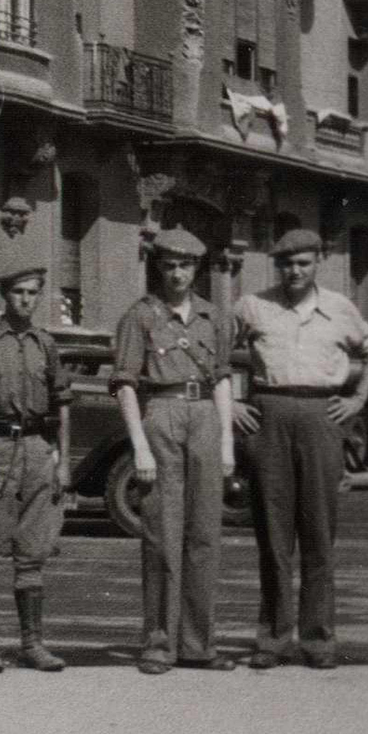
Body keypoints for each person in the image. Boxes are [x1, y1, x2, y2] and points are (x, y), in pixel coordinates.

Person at [233, 228, 368, 670]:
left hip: (322, 415)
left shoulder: (340, 308)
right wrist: (234, 404)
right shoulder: (252, 305)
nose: (295, 271)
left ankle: (318, 640)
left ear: (320, 262)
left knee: (318, 533)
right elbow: (216, 354)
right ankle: (273, 640)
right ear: (276, 265)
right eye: (287, 263)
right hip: (269, 413)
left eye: (304, 263)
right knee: (274, 535)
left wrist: (357, 401)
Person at [110, 229, 238, 674]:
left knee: (204, 535)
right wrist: (139, 446)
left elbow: (223, 378)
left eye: (185, 265)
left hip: (204, 414)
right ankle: (159, 644)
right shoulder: (140, 317)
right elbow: (125, 384)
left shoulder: (214, 317)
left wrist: (226, 440)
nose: (178, 273)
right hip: (161, 412)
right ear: (157, 267)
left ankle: (199, 645)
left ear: (197, 268)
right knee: (163, 533)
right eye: (169, 265)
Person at [0, 266, 74, 673]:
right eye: (18, 292)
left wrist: (62, 462)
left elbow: (62, 402)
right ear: (4, 295)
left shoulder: (45, 344)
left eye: (32, 293)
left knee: (32, 553)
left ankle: (33, 644)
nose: (25, 300)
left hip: (35, 450)